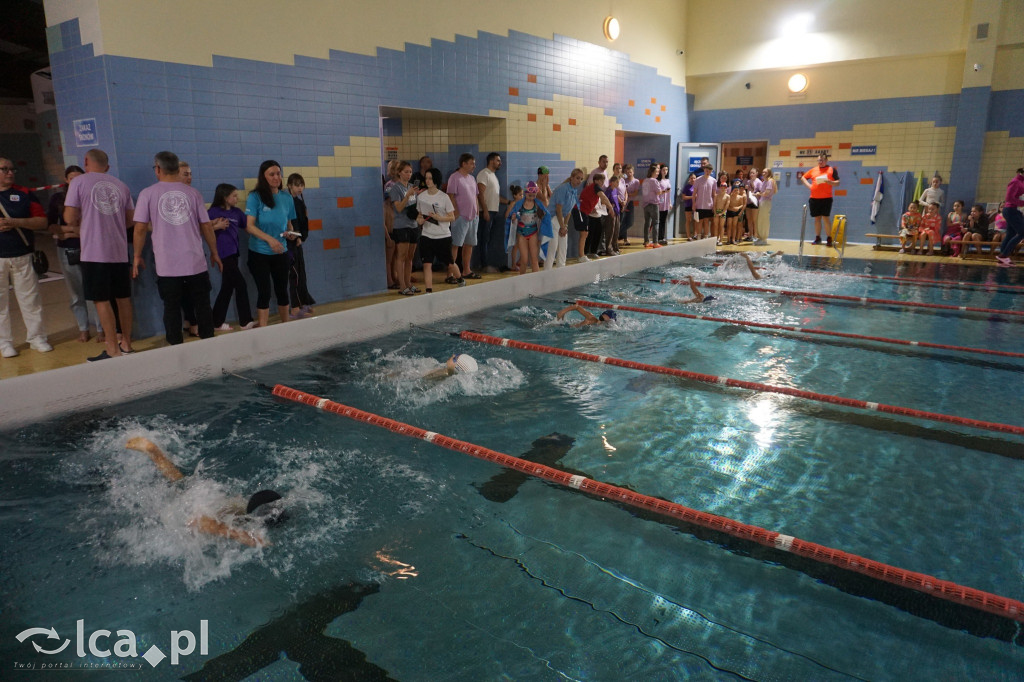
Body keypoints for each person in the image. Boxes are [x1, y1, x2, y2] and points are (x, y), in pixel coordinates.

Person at [126, 436, 284, 547]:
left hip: (212, 500)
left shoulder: (241, 509)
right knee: (182, 491)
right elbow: (202, 523)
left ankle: (154, 452)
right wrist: (241, 536)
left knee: (181, 484)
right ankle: (154, 452)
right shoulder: (244, 524)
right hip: (196, 514)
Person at [133, 151, 222, 346]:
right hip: (195, 261)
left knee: (171, 308)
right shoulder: (193, 193)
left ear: (158, 169)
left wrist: (137, 256)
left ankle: (175, 348)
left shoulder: (148, 193)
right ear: (175, 168)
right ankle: (210, 347)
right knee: (203, 306)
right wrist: (214, 252)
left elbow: (139, 228)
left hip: (167, 265)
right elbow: (206, 226)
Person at [63, 148, 136, 361]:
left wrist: (85, 220)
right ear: (107, 166)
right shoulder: (121, 185)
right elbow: (130, 219)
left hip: (95, 252)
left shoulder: (78, 182)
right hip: (119, 251)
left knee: (101, 300)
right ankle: (127, 345)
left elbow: (69, 217)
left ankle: (112, 349)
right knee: (123, 298)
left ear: (86, 161)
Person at [0, 156, 52, 358]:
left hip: (22, 255)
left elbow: (42, 222)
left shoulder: (24, 193)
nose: (10, 173)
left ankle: (37, 338)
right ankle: (4, 343)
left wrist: (16, 222)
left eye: (12, 169)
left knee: (31, 300)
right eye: (4, 169)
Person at [48, 164, 99, 343]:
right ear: (66, 180)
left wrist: (70, 231)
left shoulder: (91, 196)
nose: (76, 182)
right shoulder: (58, 199)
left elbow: (93, 229)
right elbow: (52, 226)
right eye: (72, 179)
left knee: (95, 290)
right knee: (76, 293)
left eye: (79, 178)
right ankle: (83, 328)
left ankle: (101, 328)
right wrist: (73, 230)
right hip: (67, 250)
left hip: (91, 248)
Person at [245, 159, 297, 326]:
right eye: (271, 174)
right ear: (264, 177)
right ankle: (263, 330)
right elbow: (249, 226)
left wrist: (290, 233)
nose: (276, 177)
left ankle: (286, 325)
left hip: (280, 252)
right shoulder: (255, 197)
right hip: (259, 253)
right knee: (264, 292)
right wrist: (270, 239)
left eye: (278, 174)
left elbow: (289, 224)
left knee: (282, 290)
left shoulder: (286, 197)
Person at [207, 183, 254, 331]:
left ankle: (216, 321)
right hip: (222, 255)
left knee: (227, 288)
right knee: (241, 284)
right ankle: (245, 321)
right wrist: (216, 227)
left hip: (234, 254)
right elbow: (201, 229)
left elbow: (248, 227)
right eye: (234, 196)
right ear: (225, 197)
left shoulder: (237, 212)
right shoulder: (213, 212)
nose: (237, 198)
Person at [414, 167, 463, 292]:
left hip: (443, 236)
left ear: (436, 180)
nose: (427, 181)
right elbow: (419, 214)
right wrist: (419, 220)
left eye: (430, 178)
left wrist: (439, 218)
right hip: (427, 235)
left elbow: (452, 217)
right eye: (426, 178)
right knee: (427, 264)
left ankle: (460, 279)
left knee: (450, 263)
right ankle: (428, 290)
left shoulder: (444, 197)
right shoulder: (421, 197)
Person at [387, 161, 420, 295]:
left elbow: (414, 206)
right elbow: (399, 208)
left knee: (410, 257)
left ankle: (408, 283)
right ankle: (402, 286)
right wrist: (407, 196)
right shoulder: (395, 188)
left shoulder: (412, 187)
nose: (409, 174)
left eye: (410, 172)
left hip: (413, 224)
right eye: (406, 172)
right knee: (401, 256)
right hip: (401, 226)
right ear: (399, 173)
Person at [447, 153, 481, 280]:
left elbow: (475, 196)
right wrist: (455, 212)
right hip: (460, 216)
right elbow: (450, 196)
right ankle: (450, 274)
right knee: (456, 244)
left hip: (473, 216)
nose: (474, 166)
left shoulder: (472, 178)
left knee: (469, 244)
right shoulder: (455, 177)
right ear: (464, 164)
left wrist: (477, 211)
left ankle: (466, 270)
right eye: (472, 163)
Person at [286, 173, 316, 318]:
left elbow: (304, 223)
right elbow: (289, 222)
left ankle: (303, 301)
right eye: (297, 185)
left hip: (297, 241)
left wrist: (301, 237)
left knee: (301, 273)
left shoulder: (299, 203)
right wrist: (296, 236)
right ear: (289, 186)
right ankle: (294, 307)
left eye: (301, 185)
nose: (300, 188)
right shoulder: (286, 202)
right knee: (294, 274)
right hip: (289, 242)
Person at [505, 180, 551, 274]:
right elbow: (511, 216)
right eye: (530, 196)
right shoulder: (519, 204)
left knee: (534, 260)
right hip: (522, 234)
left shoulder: (537, 204)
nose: (532, 198)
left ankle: (536, 281)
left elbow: (546, 213)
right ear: (525, 193)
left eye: (534, 196)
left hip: (533, 233)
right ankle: (522, 280)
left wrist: (543, 216)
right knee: (524, 260)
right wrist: (514, 217)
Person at [547, 169, 584, 269]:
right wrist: (562, 226)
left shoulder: (574, 191)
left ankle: (561, 270)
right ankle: (547, 272)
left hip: (561, 219)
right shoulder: (563, 189)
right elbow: (558, 209)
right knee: (553, 247)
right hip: (552, 218)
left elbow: (569, 211)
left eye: (581, 179)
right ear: (571, 178)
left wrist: (565, 226)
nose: (579, 181)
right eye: (577, 178)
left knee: (563, 247)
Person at [802, 153, 839, 246]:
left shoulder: (831, 170)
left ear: (826, 160)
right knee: (817, 218)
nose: (820, 162)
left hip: (826, 198)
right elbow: (803, 178)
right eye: (819, 160)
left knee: (826, 218)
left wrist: (830, 182)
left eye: (822, 160)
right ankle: (818, 238)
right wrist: (809, 186)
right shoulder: (813, 170)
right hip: (814, 198)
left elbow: (838, 182)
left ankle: (829, 239)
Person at [475, 152, 503, 273]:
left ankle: (486, 263)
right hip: (486, 211)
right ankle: (484, 264)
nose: (500, 163)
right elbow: (480, 194)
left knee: (487, 238)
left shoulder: (493, 176)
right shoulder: (484, 174)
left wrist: (509, 202)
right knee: (484, 238)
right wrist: (485, 210)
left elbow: (495, 196)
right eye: (498, 160)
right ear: (491, 161)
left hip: (492, 211)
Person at [580, 174, 614, 258]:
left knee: (598, 233)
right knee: (589, 234)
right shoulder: (595, 187)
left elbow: (601, 199)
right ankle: (585, 252)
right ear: (595, 181)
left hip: (596, 214)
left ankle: (593, 251)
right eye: (601, 181)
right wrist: (610, 207)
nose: (602, 182)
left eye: (603, 181)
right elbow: (603, 197)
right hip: (588, 214)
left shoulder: (596, 189)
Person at [996, 167, 1024, 267]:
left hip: (1012, 210)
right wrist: (1022, 203)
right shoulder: (1015, 182)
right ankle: (1004, 256)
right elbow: (1008, 198)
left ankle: (1003, 259)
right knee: (1022, 232)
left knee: (1011, 234)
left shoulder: (1021, 182)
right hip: (1010, 210)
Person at [692, 164, 717, 242]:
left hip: (709, 205)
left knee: (706, 221)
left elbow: (714, 194)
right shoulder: (698, 180)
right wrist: (693, 204)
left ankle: (706, 237)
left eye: (709, 170)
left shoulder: (713, 181)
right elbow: (694, 193)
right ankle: (699, 236)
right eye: (706, 170)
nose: (707, 171)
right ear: (704, 170)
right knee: (699, 221)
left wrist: (714, 205)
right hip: (699, 204)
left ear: (711, 171)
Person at [618, 164, 639, 246]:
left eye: (630, 172)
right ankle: (625, 238)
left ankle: (618, 233)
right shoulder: (623, 180)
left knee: (630, 222)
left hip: (630, 203)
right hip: (623, 203)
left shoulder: (636, 181)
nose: (629, 174)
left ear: (633, 172)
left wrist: (627, 195)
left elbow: (635, 193)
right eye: (627, 172)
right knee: (623, 220)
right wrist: (625, 196)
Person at [640, 165, 661, 248]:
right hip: (653, 204)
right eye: (657, 172)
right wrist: (663, 191)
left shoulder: (645, 180)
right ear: (652, 172)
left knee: (647, 223)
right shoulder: (654, 181)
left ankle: (646, 241)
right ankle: (655, 242)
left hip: (646, 204)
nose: (658, 173)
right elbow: (658, 192)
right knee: (655, 223)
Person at [755, 168, 775, 245]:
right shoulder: (764, 181)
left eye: (765, 172)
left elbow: (766, 193)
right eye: (763, 172)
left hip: (766, 203)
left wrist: (759, 194)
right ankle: (760, 237)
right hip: (762, 202)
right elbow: (762, 192)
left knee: (764, 221)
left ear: (769, 173)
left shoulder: (770, 181)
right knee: (760, 221)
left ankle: (764, 238)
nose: (763, 173)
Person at [726, 179, 747, 245]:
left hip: (736, 212)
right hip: (730, 212)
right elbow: (727, 206)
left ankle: (733, 239)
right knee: (729, 226)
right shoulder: (729, 197)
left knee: (734, 226)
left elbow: (742, 205)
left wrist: (737, 208)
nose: (736, 191)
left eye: (737, 190)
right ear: (732, 191)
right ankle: (728, 239)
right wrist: (731, 208)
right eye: (734, 190)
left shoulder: (740, 197)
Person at [743, 168, 762, 242]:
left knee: (754, 220)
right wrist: (746, 188)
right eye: (750, 173)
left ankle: (755, 235)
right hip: (748, 202)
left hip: (755, 202)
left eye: (753, 173)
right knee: (749, 220)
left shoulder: (759, 182)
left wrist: (753, 186)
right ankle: (750, 235)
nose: (751, 174)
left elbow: (760, 192)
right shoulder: (747, 181)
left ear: (756, 173)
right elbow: (746, 191)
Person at [656, 163, 673, 245]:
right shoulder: (658, 181)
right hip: (660, 202)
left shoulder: (667, 180)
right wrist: (665, 191)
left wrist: (670, 203)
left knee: (663, 221)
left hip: (666, 203)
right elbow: (657, 192)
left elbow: (669, 193)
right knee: (659, 221)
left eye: (666, 170)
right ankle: (658, 237)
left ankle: (662, 237)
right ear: (660, 171)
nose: (665, 171)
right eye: (663, 170)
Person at [713, 174, 731, 244]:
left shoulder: (727, 196)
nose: (723, 189)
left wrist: (722, 212)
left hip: (723, 212)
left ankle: (721, 240)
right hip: (717, 211)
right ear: (720, 188)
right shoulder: (716, 196)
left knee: (721, 226)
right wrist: (715, 212)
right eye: (722, 187)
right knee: (716, 226)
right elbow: (714, 205)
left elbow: (726, 206)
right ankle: (716, 239)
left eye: (724, 188)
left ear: (726, 188)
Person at [679, 172, 695, 241]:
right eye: (691, 178)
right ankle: (688, 236)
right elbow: (683, 197)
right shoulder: (686, 187)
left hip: (696, 206)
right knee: (688, 220)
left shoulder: (697, 186)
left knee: (695, 221)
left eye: (694, 178)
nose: (693, 179)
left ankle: (695, 234)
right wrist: (692, 197)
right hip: (688, 205)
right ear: (689, 179)